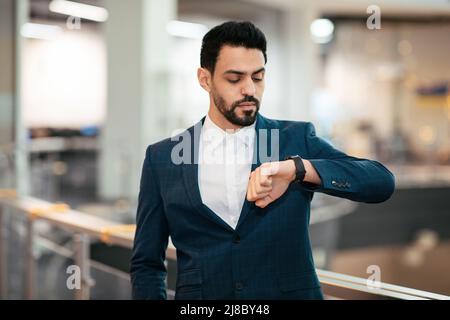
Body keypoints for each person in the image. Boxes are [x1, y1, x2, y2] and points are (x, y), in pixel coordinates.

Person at [130, 21, 395, 300]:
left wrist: (297, 169)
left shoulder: (295, 139)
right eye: (235, 79)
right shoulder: (163, 158)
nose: (250, 90)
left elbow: (380, 182)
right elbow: (146, 263)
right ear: (205, 79)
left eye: (257, 78)